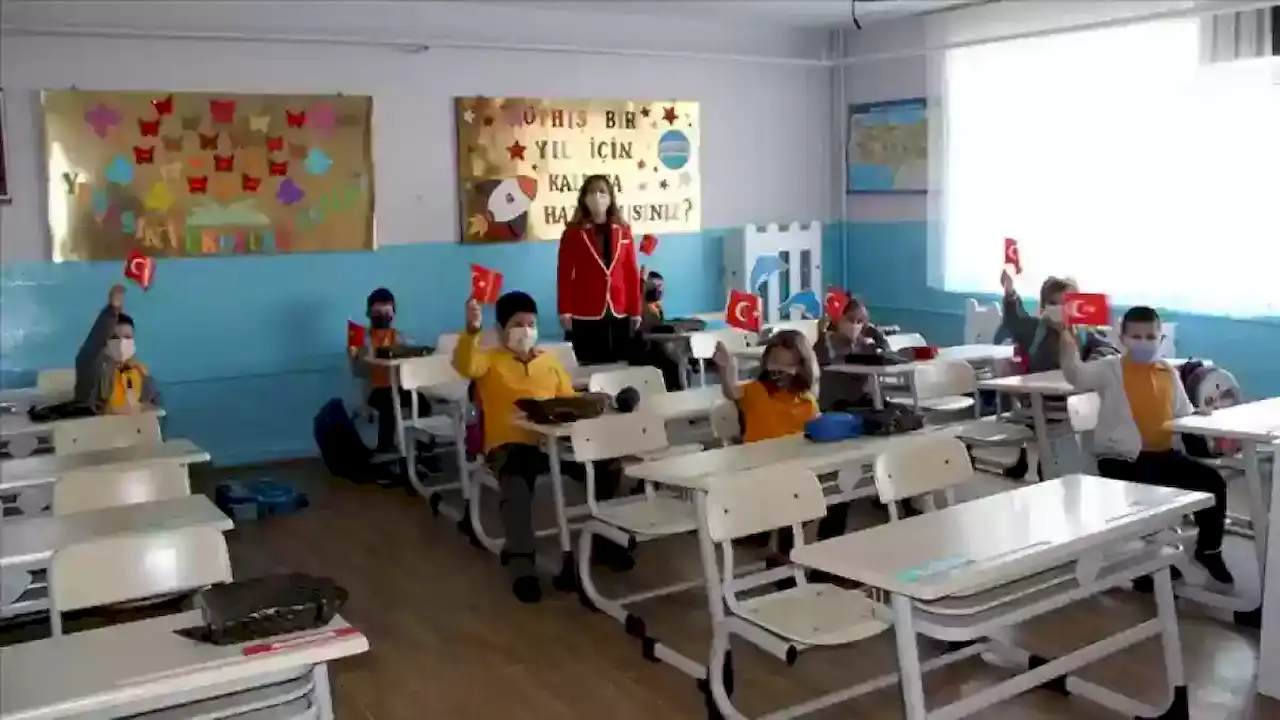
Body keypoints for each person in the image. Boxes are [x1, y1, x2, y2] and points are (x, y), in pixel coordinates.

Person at [453, 291, 631, 604]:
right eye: (517, 324)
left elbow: (568, 400)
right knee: (517, 485)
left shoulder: (549, 361)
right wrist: (471, 331)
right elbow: (465, 364)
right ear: (501, 329)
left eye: (531, 324)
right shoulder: (489, 361)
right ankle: (522, 566)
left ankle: (604, 542)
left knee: (607, 466)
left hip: (553, 444)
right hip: (509, 446)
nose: (526, 330)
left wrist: (594, 403)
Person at [1059, 306, 1233, 585]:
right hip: (1122, 459)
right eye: (1136, 336)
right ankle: (1147, 565)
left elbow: (1183, 413)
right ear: (1123, 339)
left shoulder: (1167, 372)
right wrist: (1066, 336)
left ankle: (1209, 549)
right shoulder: (1110, 369)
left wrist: (1199, 415)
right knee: (1152, 490)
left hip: (1163, 455)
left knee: (1213, 482)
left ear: (1160, 339)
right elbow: (1075, 374)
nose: (1144, 342)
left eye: (1150, 336)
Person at [556, 175, 643, 365]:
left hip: (619, 310)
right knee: (590, 365)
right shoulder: (573, 232)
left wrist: (636, 310)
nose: (597, 196)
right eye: (592, 192)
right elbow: (564, 273)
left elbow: (631, 272)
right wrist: (564, 310)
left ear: (611, 197)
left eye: (602, 191)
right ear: (584, 198)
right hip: (585, 311)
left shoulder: (623, 230)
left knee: (621, 365)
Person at [711, 329, 818, 443]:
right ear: (766, 361)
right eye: (775, 363)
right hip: (757, 453)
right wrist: (726, 368)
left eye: (789, 365)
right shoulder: (756, 390)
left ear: (802, 368)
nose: (780, 370)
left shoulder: (807, 401)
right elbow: (731, 392)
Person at [74, 284, 159, 413]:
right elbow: (89, 352)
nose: (121, 342)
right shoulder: (95, 372)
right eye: (115, 337)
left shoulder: (141, 373)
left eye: (127, 337)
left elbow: (152, 405)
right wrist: (112, 311)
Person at [812, 296, 898, 411]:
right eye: (850, 320)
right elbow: (830, 365)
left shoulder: (863, 343)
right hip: (835, 402)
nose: (854, 325)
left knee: (899, 411)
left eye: (859, 321)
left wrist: (876, 337)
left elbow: (884, 353)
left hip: (861, 399)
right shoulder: (826, 343)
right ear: (838, 320)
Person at [356, 287, 414, 453]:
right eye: (377, 312)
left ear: (393, 313)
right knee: (389, 401)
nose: (382, 316)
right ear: (369, 313)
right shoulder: (362, 339)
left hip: (399, 386)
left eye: (387, 311)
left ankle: (419, 446)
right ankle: (385, 450)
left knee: (421, 401)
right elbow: (358, 370)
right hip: (375, 390)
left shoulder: (401, 337)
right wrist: (364, 352)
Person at [631, 270, 685, 390]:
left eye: (661, 287)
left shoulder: (657, 308)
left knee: (678, 358)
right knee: (673, 363)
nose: (659, 290)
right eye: (655, 286)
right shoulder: (639, 306)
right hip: (643, 349)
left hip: (658, 346)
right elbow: (642, 330)